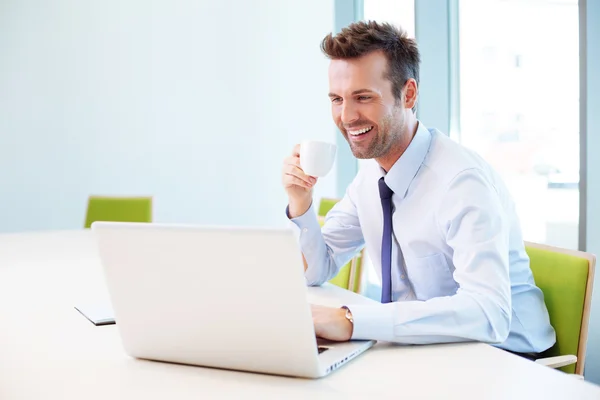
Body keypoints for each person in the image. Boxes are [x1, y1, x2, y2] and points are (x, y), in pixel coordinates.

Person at [281, 21, 556, 356]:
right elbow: (316, 270)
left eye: (363, 97)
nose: (347, 116)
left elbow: (489, 313)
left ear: (408, 94)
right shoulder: (370, 178)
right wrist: (301, 203)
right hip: (424, 348)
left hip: (505, 359)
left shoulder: (461, 182)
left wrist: (352, 320)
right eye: (336, 99)